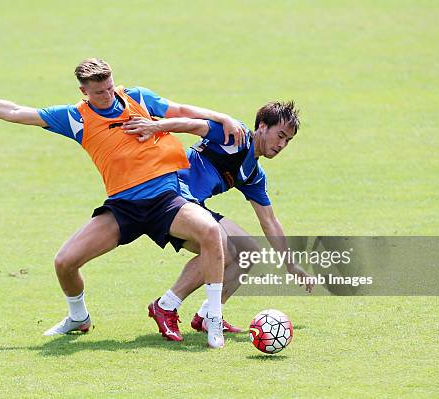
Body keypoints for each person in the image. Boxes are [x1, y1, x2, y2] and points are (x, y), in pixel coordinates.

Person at [0, 58, 246, 349]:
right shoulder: (74, 117)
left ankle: (213, 318)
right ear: (83, 91)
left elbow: (180, 108)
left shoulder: (137, 97)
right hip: (123, 205)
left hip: (165, 198)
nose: (107, 95)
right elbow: (17, 111)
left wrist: (222, 117)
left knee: (210, 232)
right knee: (64, 262)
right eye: (99, 92)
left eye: (110, 87)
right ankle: (78, 318)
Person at [121, 102, 314, 340]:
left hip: (194, 207)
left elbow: (270, 221)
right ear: (262, 127)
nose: (282, 144)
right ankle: (166, 305)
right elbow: (193, 125)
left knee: (248, 251)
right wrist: (155, 126)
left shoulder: (253, 174)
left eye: (288, 141)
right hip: (169, 197)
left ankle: (207, 315)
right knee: (221, 247)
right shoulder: (236, 135)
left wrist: (290, 264)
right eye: (280, 135)